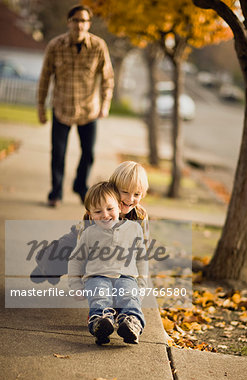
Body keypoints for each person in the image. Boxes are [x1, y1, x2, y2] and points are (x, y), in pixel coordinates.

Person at [38, 4, 114, 207]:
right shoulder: (55, 46)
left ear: (89, 24)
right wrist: (40, 108)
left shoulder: (98, 46)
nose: (80, 25)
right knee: (58, 153)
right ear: (69, 22)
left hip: (88, 109)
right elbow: (45, 78)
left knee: (88, 153)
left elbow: (108, 78)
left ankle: (81, 187)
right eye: (76, 20)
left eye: (84, 21)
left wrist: (105, 105)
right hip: (61, 108)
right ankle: (56, 192)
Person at [30, 161, 149, 284]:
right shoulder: (100, 204)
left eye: (136, 194)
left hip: (111, 249)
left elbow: (142, 248)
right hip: (82, 239)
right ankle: (45, 268)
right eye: (125, 192)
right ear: (113, 189)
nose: (130, 199)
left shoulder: (140, 215)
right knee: (56, 256)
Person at [68, 181, 148, 345]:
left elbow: (141, 258)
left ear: (119, 207)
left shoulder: (134, 229)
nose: (105, 215)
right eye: (98, 211)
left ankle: (131, 324)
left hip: (127, 277)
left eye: (110, 209)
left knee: (130, 299)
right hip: (96, 277)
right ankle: (101, 323)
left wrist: (142, 284)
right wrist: (75, 285)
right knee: (99, 298)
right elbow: (76, 259)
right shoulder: (89, 233)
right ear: (90, 214)